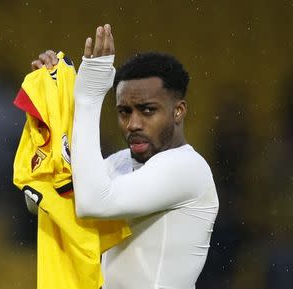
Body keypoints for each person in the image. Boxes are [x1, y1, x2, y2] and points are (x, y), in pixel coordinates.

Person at [30, 24, 219, 289]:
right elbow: (43, 201)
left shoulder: (189, 169)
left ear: (178, 111)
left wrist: (88, 98)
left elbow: (94, 202)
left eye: (147, 110)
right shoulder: (118, 164)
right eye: (124, 112)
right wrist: (52, 102)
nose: (133, 124)